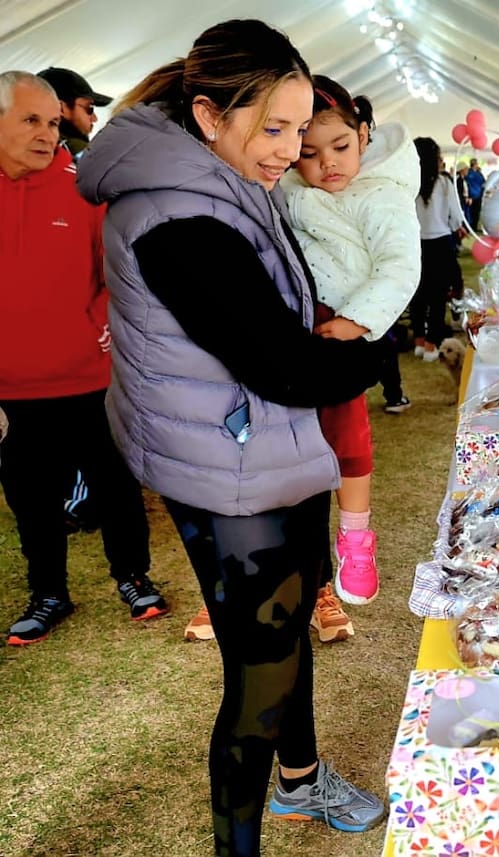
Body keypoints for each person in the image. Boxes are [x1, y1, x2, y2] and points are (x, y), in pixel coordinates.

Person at [76, 20, 386, 853]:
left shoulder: (212, 172)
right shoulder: (175, 212)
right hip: (228, 467)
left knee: (285, 640)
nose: (290, 149)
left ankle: (302, 780)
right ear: (209, 115)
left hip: (258, 448)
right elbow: (283, 368)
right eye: (274, 128)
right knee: (260, 675)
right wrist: (381, 343)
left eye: (299, 127)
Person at [0, 70, 168, 645]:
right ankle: (48, 592)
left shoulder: (83, 187)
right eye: (30, 120)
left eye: (51, 121)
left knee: (115, 482)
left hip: (92, 378)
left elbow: (120, 270)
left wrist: (101, 322)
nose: (48, 134)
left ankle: (133, 576)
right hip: (13, 393)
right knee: (30, 496)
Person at [282, 74, 421, 609]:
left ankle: (356, 540)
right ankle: (294, 562)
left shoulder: (384, 195)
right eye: (308, 153)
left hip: (345, 328)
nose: (327, 164)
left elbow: (400, 268)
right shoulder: (289, 188)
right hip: (297, 324)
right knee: (292, 442)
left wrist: (358, 321)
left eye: (340, 146)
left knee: (347, 433)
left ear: (365, 134)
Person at [38, 67, 114, 531]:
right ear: (62, 106)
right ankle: (80, 498)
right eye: (87, 108)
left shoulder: (77, 163)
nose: (92, 120)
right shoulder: (82, 166)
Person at [412, 136, 464, 360]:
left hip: (415, 244)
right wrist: (452, 226)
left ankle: (419, 342)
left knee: (417, 294)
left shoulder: (408, 182)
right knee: (437, 297)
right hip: (441, 243)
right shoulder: (444, 183)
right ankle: (432, 346)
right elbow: (457, 218)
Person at [36, 66, 111, 161]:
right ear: (61, 108)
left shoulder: (25, 147)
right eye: (89, 108)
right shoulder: (76, 150)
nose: (94, 118)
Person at [466, 157, 485, 228]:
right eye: (476, 163)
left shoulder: (479, 173)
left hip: (478, 195)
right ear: (474, 164)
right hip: (471, 196)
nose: (477, 164)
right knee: (471, 212)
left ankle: (474, 226)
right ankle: (471, 226)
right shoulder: (469, 173)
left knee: (476, 211)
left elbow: (483, 183)